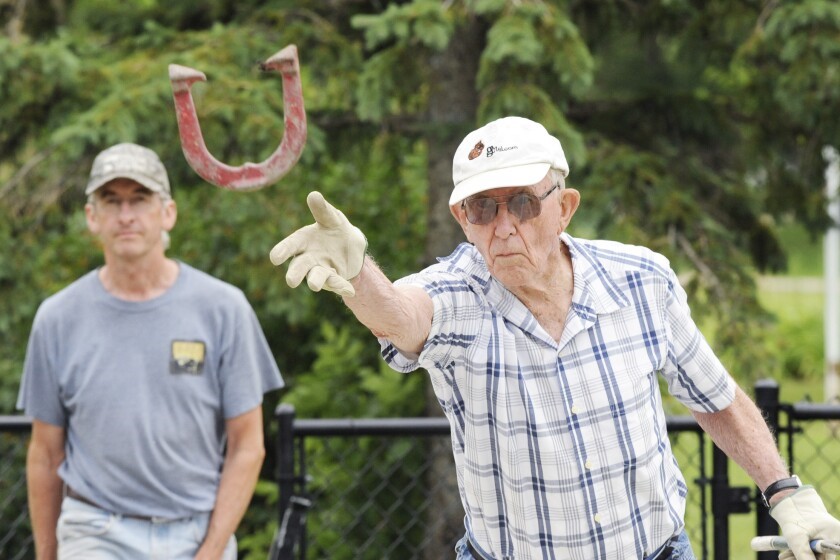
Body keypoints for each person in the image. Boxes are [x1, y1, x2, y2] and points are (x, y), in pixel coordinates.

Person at [269, 116, 840, 560]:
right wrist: (358, 273)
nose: (504, 225)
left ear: (564, 207)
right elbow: (400, 315)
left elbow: (715, 397)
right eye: (482, 208)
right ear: (461, 219)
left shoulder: (641, 280)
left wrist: (786, 493)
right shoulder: (457, 295)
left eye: (521, 202)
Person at [18, 142, 284, 560]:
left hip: (195, 532)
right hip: (94, 530)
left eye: (140, 199)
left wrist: (212, 550)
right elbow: (45, 452)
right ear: (92, 217)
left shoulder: (223, 309)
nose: (126, 216)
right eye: (111, 201)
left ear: (168, 213)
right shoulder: (57, 318)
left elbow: (248, 445)